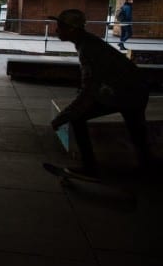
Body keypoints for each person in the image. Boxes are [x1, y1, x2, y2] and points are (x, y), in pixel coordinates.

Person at [49, 9, 151, 178]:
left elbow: (89, 91)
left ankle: (90, 167)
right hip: (134, 90)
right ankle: (147, 168)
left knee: (77, 118)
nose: (56, 30)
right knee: (137, 133)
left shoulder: (88, 49)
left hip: (126, 93)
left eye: (60, 27)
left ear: (72, 29)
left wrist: (63, 117)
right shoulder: (88, 43)